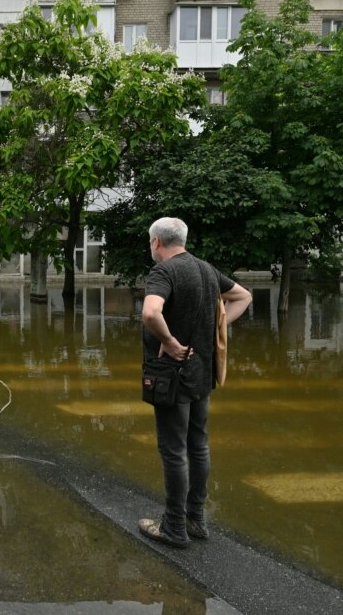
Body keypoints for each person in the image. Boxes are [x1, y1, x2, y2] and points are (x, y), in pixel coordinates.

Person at [138, 217, 252, 548]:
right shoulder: (205, 269)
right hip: (201, 371)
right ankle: (195, 519)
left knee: (173, 450)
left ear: (157, 242)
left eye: (150, 243)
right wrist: (217, 328)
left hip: (171, 374)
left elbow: (150, 313)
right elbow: (243, 297)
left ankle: (173, 526)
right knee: (198, 445)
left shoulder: (164, 272)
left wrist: (170, 343)